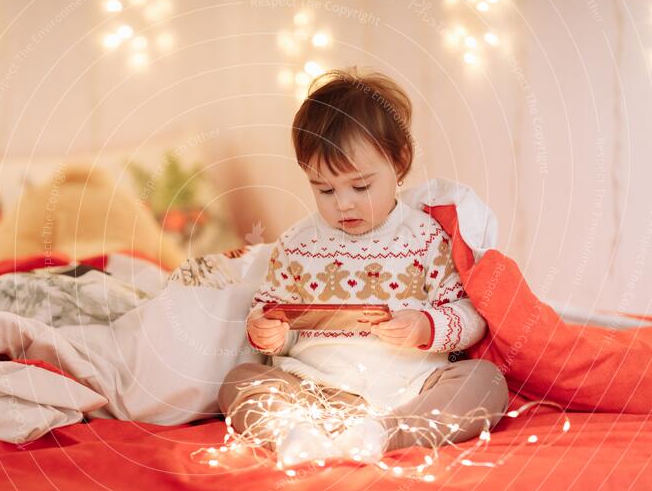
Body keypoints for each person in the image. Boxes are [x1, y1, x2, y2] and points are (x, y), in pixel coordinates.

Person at [218, 68, 509, 467]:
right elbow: (272, 318)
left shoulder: (425, 237)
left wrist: (426, 327)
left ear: (399, 163)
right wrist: (266, 331)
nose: (343, 204)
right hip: (313, 387)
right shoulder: (295, 244)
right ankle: (291, 434)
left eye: (360, 186)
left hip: (411, 387)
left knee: (485, 381)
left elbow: (468, 317)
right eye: (324, 189)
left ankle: (382, 434)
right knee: (241, 381)